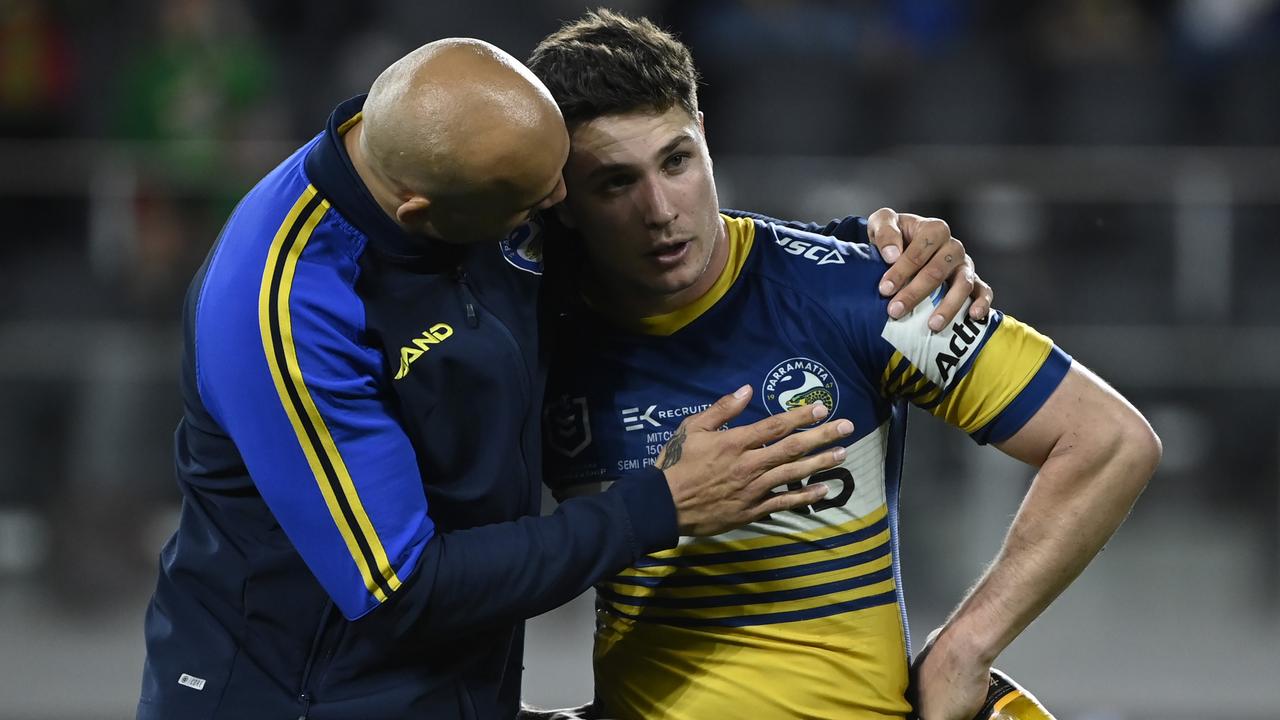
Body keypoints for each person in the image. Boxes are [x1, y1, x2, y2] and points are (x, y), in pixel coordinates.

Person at [137, 37, 975, 720]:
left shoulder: (477, 149)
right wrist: (665, 505)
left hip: (450, 692)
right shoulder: (285, 307)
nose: (558, 215)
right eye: (533, 209)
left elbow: (656, 247)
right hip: (293, 698)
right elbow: (403, 592)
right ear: (425, 219)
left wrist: (853, 259)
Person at [529, 10, 1161, 720]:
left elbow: (1108, 440)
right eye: (614, 183)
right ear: (562, 199)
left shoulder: (871, 291)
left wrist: (965, 648)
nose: (660, 209)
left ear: (705, 139)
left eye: (676, 161)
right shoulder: (530, 333)